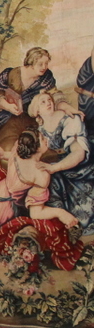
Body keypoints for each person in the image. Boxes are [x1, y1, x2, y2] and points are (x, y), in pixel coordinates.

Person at [0, 126, 78, 230]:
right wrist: (60, 213)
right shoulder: (41, 174)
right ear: (36, 147)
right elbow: (36, 213)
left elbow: (13, 156)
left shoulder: (17, 150)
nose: (46, 140)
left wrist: (3, 154)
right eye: (43, 139)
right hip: (2, 213)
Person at [28, 91, 94, 235]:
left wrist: (55, 167)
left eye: (49, 100)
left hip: (81, 166)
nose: (48, 103)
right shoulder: (40, 130)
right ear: (36, 110)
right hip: (58, 167)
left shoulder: (69, 119)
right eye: (43, 102)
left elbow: (79, 153)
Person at [0, 48, 76, 153]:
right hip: (8, 119)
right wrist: (7, 106)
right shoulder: (9, 75)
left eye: (46, 63)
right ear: (31, 63)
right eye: (40, 64)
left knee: (41, 148)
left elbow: (54, 93)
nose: (44, 67)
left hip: (31, 118)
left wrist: (65, 106)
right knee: (10, 148)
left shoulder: (46, 77)